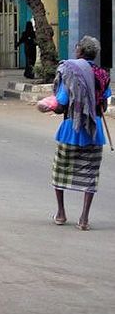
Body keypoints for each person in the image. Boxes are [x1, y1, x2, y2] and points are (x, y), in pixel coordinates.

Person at [41, 36, 111, 230]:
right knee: (90, 174)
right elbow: (104, 105)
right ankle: (84, 218)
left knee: (60, 171)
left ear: (79, 51)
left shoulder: (70, 71)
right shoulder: (103, 75)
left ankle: (61, 213)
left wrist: (49, 107)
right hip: (94, 130)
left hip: (71, 129)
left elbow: (61, 104)